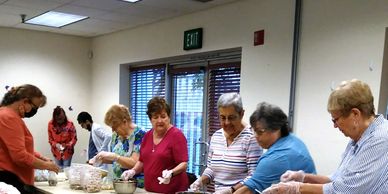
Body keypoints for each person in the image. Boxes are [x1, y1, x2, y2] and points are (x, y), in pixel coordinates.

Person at [263, 79, 388, 194]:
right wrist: (304, 177)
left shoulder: (380, 138)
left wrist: (296, 187)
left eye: (336, 120)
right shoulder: (358, 138)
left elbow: (346, 189)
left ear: (355, 114)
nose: (335, 126)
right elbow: (336, 179)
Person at [233, 102, 316, 194]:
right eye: (254, 130)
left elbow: (246, 191)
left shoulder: (276, 158)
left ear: (276, 128)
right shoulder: (293, 140)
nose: (255, 136)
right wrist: (231, 189)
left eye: (260, 131)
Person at [190, 92, 263, 193]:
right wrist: (200, 181)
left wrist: (231, 190)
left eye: (231, 117)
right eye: (223, 117)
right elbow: (212, 169)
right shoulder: (216, 136)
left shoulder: (251, 138)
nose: (227, 123)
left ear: (241, 114)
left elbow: (254, 177)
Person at [121, 97, 189, 194]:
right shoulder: (147, 136)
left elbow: (183, 164)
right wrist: (133, 171)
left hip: (172, 191)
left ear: (169, 117)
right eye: (155, 117)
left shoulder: (177, 135)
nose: (160, 120)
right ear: (150, 119)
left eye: (163, 116)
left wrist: (171, 173)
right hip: (150, 190)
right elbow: (142, 161)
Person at [0, 84, 60, 193]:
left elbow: (18, 148)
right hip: (12, 179)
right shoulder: (8, 117)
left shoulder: (8, 115)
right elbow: (20, 156)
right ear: (25, 102)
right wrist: (46, 165)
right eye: (34, 107)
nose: (34, 111)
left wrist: (41, 158)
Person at [89, 104, 146, 187]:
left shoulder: (140, 135)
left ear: (124, 122)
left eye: (115, 127)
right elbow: (115, 161)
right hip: (119, 183)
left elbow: (135, 163)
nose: (113, 130)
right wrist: (101, 159)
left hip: (135, 185)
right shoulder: (116, 136)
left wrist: (115, 156)